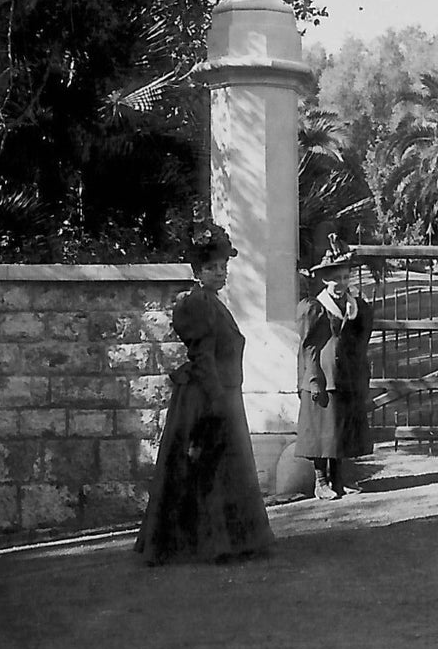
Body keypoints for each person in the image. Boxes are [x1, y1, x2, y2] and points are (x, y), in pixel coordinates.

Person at [136, 222, 274, 564]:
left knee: (220, 469)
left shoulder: (213, 302)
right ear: (197, 272)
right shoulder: (197, 303)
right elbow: (203, 356)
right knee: (209, 467)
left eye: (223, 267)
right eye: (212, 268)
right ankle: (211, 544)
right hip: (207, 395)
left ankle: (227, 542)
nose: (220, 273)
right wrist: (216, 402)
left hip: (221, 390)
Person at [296, 234, 376, 500]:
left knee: (338, 429)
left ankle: (339, 481)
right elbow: (308, 346)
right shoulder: (315, 308)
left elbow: (360, 339)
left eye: (345, 278)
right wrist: (312, 379)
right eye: (335, 279)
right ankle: (321, 481)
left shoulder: (354, 306)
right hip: (322, 374)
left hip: (345, 375)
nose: (341, 284)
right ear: (324, 280)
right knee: (321, 430)